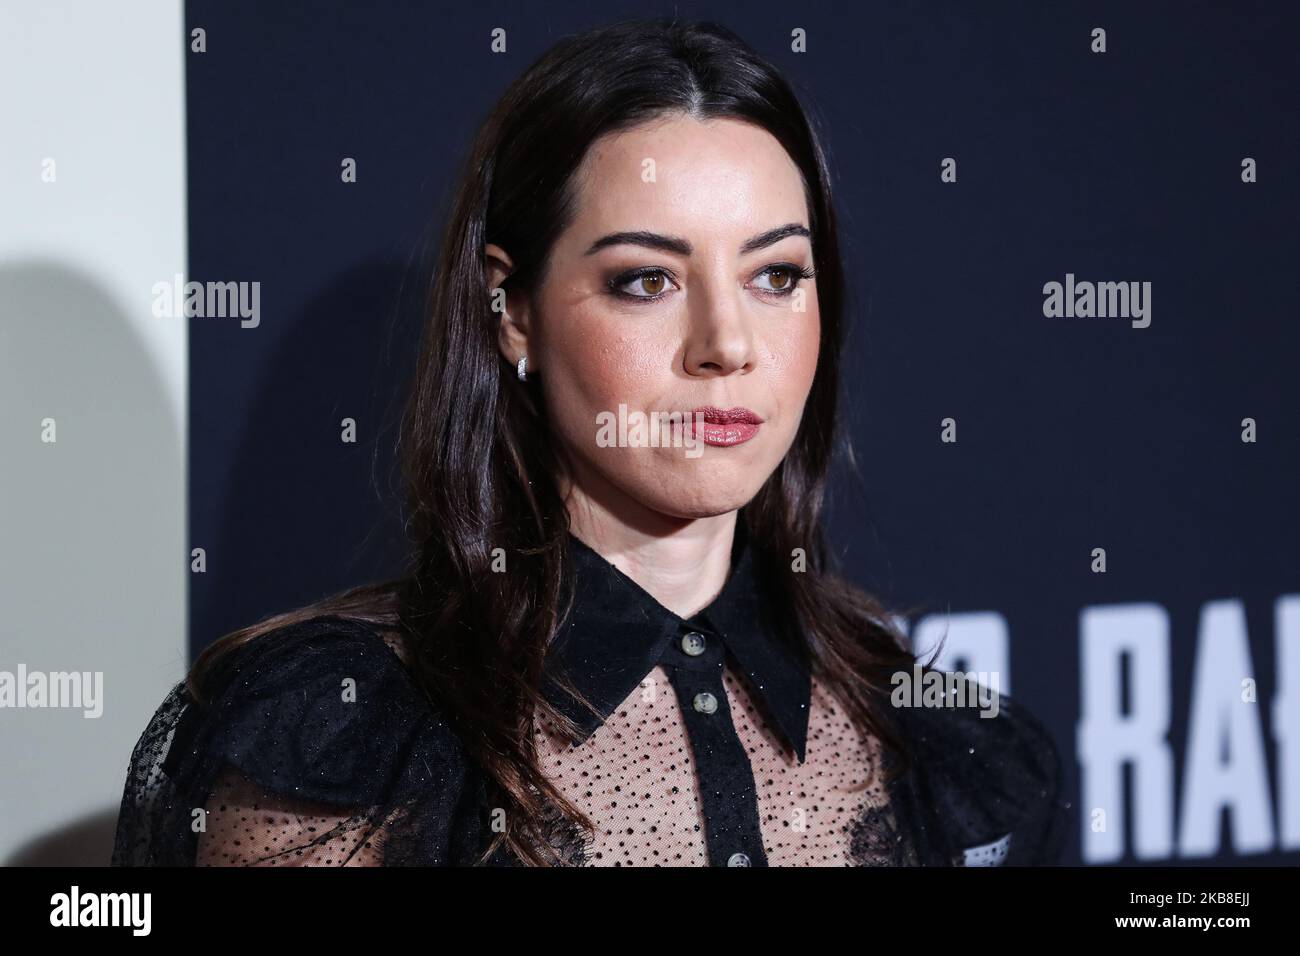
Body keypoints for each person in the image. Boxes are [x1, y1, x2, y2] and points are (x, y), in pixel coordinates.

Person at [111, 17, 1069, 867]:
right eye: (646, 281)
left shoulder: (951, 756)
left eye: (777, 275)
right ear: (512, 312)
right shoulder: (338, 742)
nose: (727, 346)